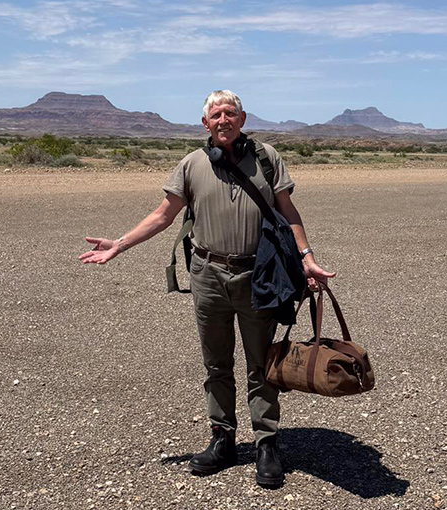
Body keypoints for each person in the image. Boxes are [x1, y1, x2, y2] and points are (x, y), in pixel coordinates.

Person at [79, 90, 334, 487]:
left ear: (242, 118)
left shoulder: (267, 159)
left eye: (230, 113)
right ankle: (223, 439)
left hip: (257, 277)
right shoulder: (192, 164)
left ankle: (266, 443)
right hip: (209, 275)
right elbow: (164, 214)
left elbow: (288, 211)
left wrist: (307, 257)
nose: (223, 120)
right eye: (216, 115)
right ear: (205, 123)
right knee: (216, 363)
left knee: (260, 363)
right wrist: (120, 243)